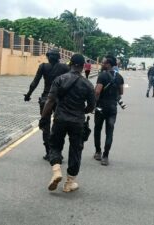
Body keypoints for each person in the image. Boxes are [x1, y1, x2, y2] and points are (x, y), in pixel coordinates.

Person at [39, 54, 95, 192]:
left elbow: (50, 100)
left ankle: (57, 170)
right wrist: (82, 110)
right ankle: (69, 183)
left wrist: (44, 117)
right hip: (77, 121)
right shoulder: (87, 84)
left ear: (70, 64)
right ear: (82, 67)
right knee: (76, 150)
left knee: (55, 145)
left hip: (60, 118)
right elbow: (92, 106)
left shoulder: (59, 79)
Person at [24, 48, 69, 161]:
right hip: (59, 100)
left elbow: (35, 82)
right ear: (59, 57)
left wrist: (28, 94)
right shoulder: (64, 67)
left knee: (45, 126)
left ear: (48, 57)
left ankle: (49, 152)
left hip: (46, 98)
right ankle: (57, 153)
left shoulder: (43, 67)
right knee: (59, 127)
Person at [93, 55, 124, 166]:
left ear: (108, 64)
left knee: (97, 129)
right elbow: (121, 92)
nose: (102, 64)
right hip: (112, 108)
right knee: (109, 132)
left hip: (101, 107)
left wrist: (94, 103)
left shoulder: (102, 76)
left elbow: (97, 92)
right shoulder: (119, 77)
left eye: (103, 62)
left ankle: (98, 152)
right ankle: (105, 157)